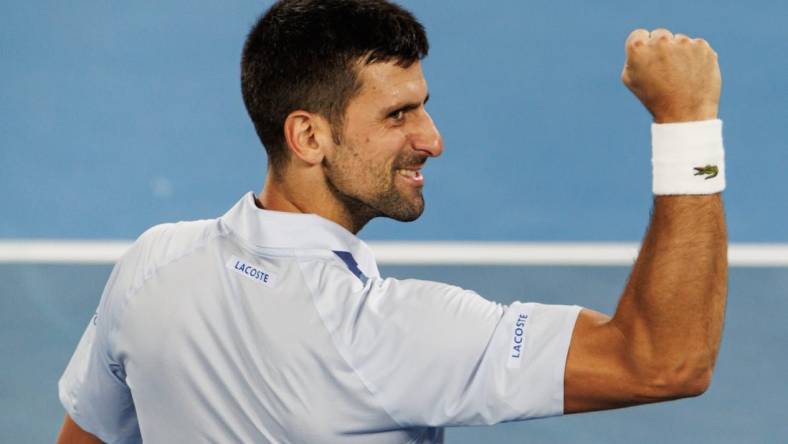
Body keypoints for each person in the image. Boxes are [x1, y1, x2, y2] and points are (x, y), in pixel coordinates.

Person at [56, 0, 728, 442]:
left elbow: (85, 435)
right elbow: (664, 361)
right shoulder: (390, 339)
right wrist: (687, 124)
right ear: (308, 137)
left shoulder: (151, 268)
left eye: (421, 106)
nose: (432, 139)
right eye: (397, 115)